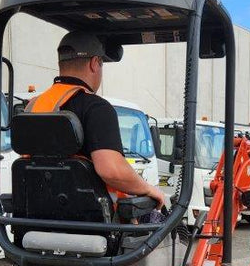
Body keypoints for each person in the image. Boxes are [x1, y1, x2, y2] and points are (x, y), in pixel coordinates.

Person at [24, 31, 165, 209]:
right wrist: (147, 189)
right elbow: (111, 171)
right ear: (94, 64)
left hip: (35, 219)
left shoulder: (33, 107)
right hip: (92, 226)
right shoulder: (96, 108)